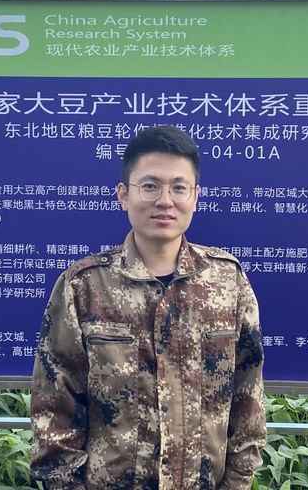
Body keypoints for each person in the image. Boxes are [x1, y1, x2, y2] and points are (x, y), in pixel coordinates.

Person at [30, 125, 265, 490]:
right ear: (124, 195)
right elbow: (54, 409)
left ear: (195, 196)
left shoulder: (227, 281)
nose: (165, 200)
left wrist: (237, 483)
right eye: (150, 186)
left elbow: (247, 397)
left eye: (179, 187)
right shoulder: (83, 287)